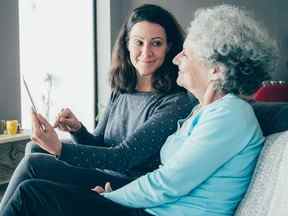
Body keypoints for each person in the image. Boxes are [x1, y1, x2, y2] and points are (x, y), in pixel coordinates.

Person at [0, 4, 279, 216]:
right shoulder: (206, 112)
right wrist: (81, 135)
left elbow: (166, 183)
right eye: (139, 42)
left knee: (31, 193)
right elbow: (165, 178)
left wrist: (112, 196)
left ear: (216, 70)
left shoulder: (229, 116)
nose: (177, 57)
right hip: (155, 205)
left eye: (187, 52)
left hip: (160, 211)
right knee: (34, 174)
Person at [0, 4, 195, 212]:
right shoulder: (122, 90)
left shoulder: (174, 102)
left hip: (129, 185)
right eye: (139, 42)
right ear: (127, 44)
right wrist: (78, 130)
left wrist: (59, 148)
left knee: (34, 165)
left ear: (169, 47)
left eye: (156, 43)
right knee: (34, 150)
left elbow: (123, 157)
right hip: (103, 172)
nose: (146, 52)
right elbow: (101, 143)